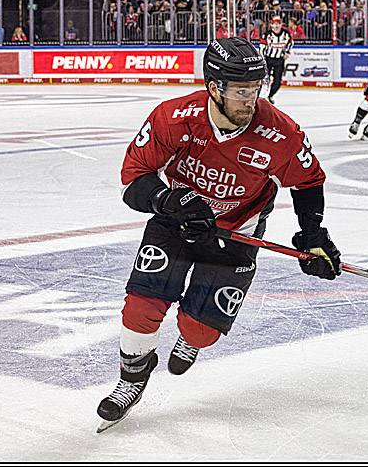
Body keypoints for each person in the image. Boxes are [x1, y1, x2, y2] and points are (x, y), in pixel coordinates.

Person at [98, 38, 341, 429]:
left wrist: (312, 234)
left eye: (256, 90)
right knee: (141, 307)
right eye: (242, 91)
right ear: (214, 87)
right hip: (175, 223)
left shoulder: (280, 132)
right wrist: (168, 201)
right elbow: (133, 182)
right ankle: (132, 379)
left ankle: (191, 336)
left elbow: (308, 180)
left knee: (202, 330)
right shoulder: (173, 117)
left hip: (237, 232)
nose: (251, 100)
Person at [259, 15, 293, 103]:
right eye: (274, 24)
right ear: (271, 25)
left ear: (281, 24)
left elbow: (290, 43)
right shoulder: (267, 35)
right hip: (268, 60)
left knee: (278, 81)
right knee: (265, 80)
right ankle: (261, 97)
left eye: (278, 23)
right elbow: (262, 48)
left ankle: (270, 95)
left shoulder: (286, 34)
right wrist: (262, 60)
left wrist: (287, 52)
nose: (276, 26)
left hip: (279, 60)